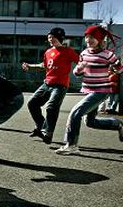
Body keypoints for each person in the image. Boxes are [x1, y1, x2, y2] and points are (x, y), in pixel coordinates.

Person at [55, 25, 123, 155]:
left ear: (99, 39)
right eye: (86, 37)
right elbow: (76, 72)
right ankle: (117, 124)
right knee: (90, 122)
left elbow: (120, 69)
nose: (88, 40)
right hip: (89, 90)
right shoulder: (84, 53)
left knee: (75, 112)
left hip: (101, 91)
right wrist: (80, 68)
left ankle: (72, 145)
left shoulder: (108, 55)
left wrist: (114, 68)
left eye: (91, 37)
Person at [21, 27, 79, 144]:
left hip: (60, 85)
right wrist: (30, 66)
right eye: (49, 37)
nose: (50, 39)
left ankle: (48, 133)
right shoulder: (48, 52)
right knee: (32, 103)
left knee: (51, 107)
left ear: (60, 37)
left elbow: (81, 62)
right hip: (47, 83)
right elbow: (44, 65)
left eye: (52, 37)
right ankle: (41, 127)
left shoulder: (68, 51)